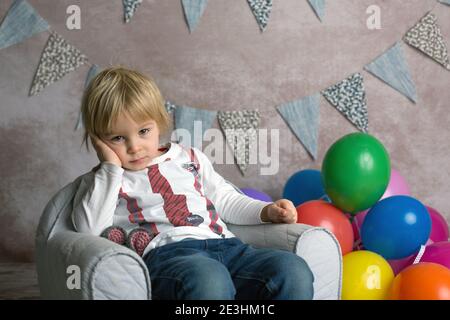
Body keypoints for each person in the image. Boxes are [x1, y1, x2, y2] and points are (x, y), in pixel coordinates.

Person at [72, 66, 314, 300]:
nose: (134, 147)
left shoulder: (189, 157)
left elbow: (225, 199)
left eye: (143, 131)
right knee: (209, 278)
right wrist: (111, 168)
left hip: (228, 247)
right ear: (98, 141)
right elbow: (89, 231)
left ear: (158, 122)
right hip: (169, 257)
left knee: (292, 270)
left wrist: (265, 211)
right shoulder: (105, 180)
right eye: (117, 138)